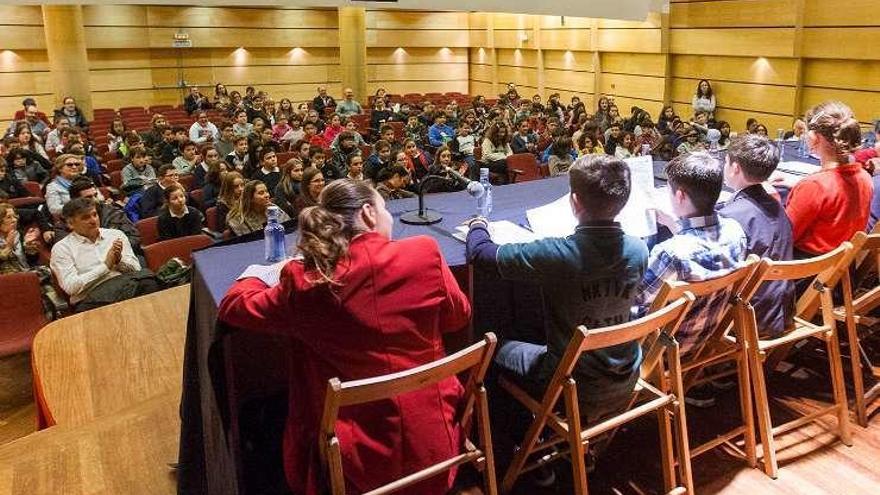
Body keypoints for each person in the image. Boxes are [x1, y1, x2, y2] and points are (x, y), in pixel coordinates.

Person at [219, 178, 470, 495]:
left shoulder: (305, 281)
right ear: (368, 213)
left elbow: (232, 306)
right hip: (438, 445)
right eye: (385, 208)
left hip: (357, 464)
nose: (389, 217)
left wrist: (255, 274)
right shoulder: (425, 253)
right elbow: (458, 317)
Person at [467, 154, 648, 442]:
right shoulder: (639, 249)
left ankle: (521, 443)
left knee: (493, 349)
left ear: (575, 202)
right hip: (626, 375)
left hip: (571, 384)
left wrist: (478, 223)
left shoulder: (558, 254)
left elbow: (481, 254)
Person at [636, 152, 747, 361]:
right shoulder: (736, 232)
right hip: (704, 340)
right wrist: (675, 226)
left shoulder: (671, 253)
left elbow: (635, 301)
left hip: (663, 350)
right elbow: (703, 254)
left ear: (679, 196)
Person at [718, 135, 794, 337]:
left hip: (749, 318)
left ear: (734, 168)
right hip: (783, 309)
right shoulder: (778, 205)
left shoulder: (731, 216)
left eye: (725, 162)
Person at [784, 101, 873, 257]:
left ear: (813, 138)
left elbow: (785, 237)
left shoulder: (814, 186)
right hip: (841, 270)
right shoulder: (865, 177)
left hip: (805, 272)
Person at [50, 198, 158, 311]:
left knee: (149, 282)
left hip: (127, 285)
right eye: (85, 217)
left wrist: (119, 261)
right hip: (93, 299)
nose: (93, 220)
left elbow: (136, 269)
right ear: (70, 224)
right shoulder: (62, 249)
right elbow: (71, 287)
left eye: (94, 214)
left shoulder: (115, 235)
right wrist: (105, 266)